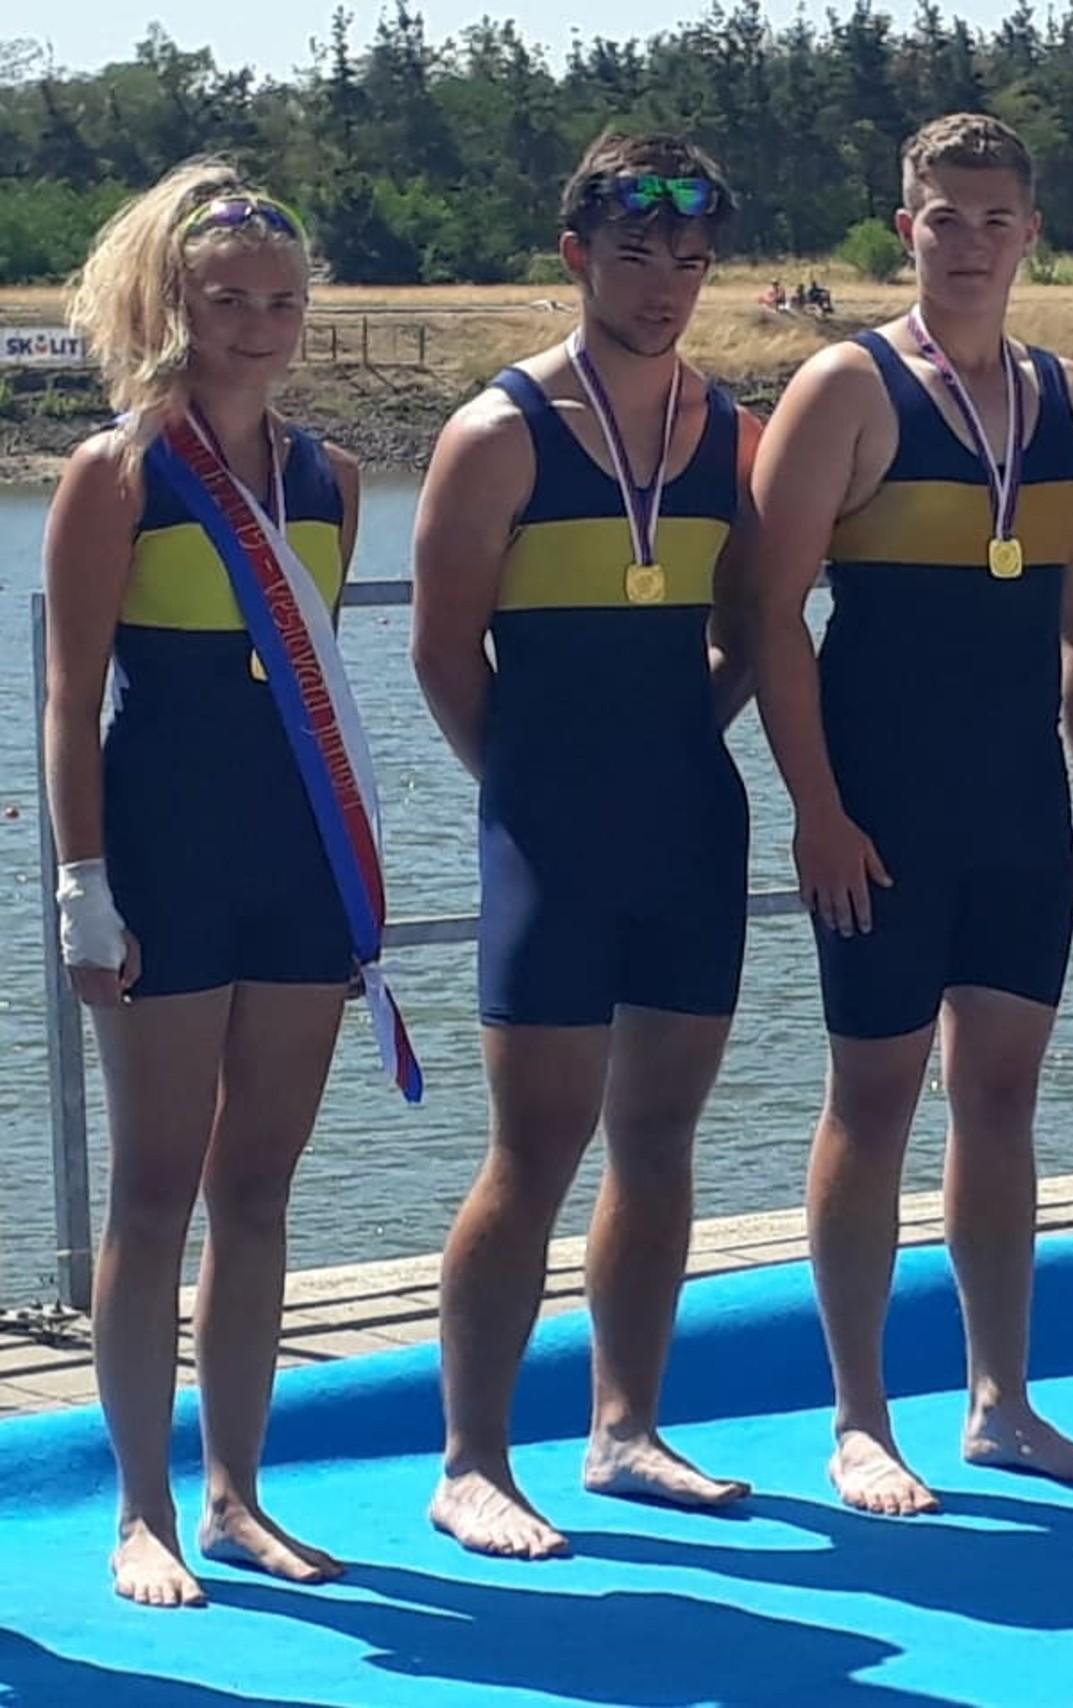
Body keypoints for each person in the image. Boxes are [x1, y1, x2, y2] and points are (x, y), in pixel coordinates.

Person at [43, 158, 412, 1606]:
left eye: (281, 302)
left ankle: (240, 1492)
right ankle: (142, 1507)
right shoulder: (117, 473)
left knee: (257, 1187)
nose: (258, 326)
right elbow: (71, 700)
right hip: (163, 859)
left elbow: (315, 690)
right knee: (154, 1190)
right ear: (174, 309)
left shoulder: (334, 479)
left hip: (296, 865)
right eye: (228, 302)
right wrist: (82, 885)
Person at [751, 112, 1073, 1517]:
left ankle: (1000, 1403)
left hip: (1016, 808)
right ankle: (859, 1418)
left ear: (1031, 234)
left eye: (994, 220)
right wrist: (816, 809)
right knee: (872, 1098)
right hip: (881, 814)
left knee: (1003, 1097)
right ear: (904, 227)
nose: (968, 244)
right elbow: (770, 617)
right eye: (943, 218)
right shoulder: (843, 388)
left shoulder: (1069, 398)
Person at [412, 130, 762, 1558]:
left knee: (660, 1139)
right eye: (635, 256)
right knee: (535, 1150)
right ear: (576, 258)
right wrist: (528, 791)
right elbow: (442, 656)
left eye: (688, 262)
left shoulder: (731, 431)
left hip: (690, 824)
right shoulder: (497, 434)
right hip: (548, 838)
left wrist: (682, 740)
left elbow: (751, 629)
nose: (663, 285)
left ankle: (626, 1431)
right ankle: (471, 1461)